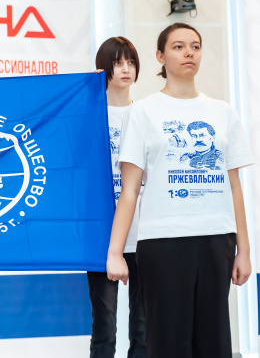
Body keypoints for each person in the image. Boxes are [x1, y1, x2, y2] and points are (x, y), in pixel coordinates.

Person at [106, 23, 252, 357]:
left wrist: (244, 249)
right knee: (167, 341)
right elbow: (130, 190)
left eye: (195, 46)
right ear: (160, 56)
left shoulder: (223, 112)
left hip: (217, 238)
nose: (189, 53)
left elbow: (234, 186)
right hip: (162, 241)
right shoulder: (143, 111)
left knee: (214, 341)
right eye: (178, 46)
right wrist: (115, 252)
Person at [87, 37, 146, 358]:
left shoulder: (147, 114)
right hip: (102, 232)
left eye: (131, 62)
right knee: (104, 326)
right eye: (117, 63)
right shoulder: (88, 116)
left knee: (144, 326)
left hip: (145, 230)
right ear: (103, 69)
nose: (126, 69)